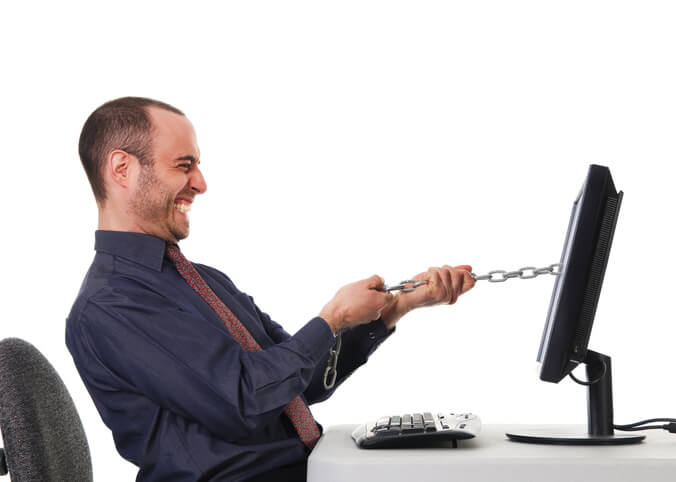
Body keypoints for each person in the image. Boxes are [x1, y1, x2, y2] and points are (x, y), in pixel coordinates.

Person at [66, 97, 476, 482]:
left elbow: (300, 384)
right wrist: (331, 317)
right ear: (122, 169)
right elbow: (243, 401)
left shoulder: (203, 280)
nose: (201, 183)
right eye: (183, 165)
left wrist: (396, 307)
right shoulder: (111, 305)